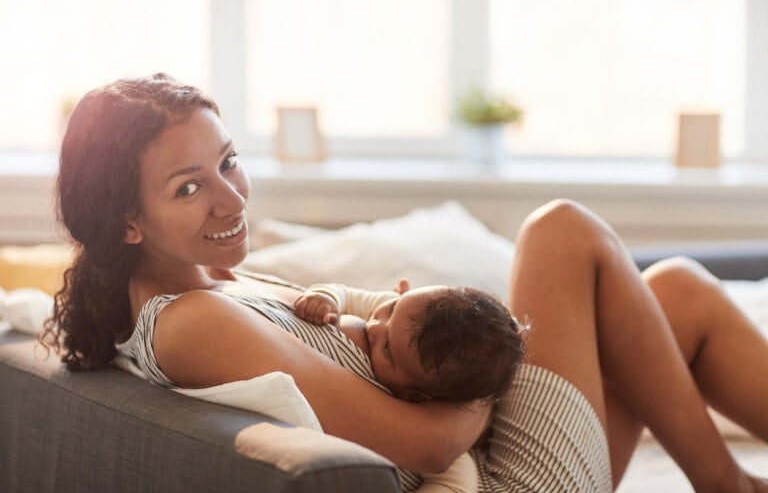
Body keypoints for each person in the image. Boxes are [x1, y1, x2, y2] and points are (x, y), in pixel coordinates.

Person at [41, 73, 768, 493]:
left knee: (672, 290)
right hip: (504, 479)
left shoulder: (213, 283)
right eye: (188, 187)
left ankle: (726, 486)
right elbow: (421, 447)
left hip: (496, 454)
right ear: (127, 220)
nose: (231, 200)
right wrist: (492, 361)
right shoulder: (190, 321)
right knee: (560, 230)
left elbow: (363, 321)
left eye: (229, 163)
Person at [294, 279, 525, 403]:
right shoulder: (393, 308)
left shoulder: (431, 424)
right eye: (392, 309)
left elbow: (453, 477)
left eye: (386, 348)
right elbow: (346, 294)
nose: (374, 326)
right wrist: (327, 298)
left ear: (415, 395)